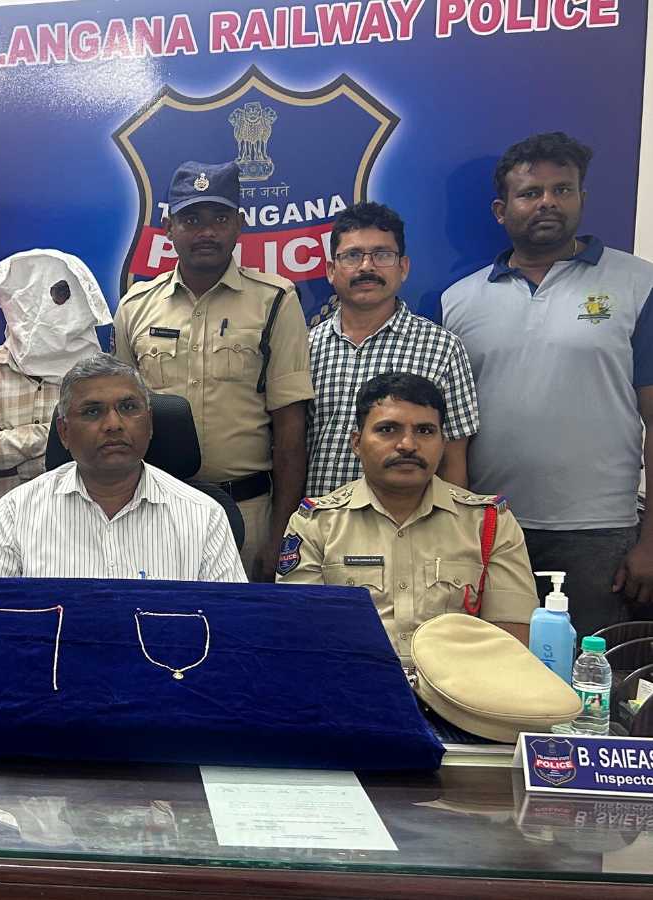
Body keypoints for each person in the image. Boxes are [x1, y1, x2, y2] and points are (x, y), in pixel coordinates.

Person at [443, 132, 653, 636]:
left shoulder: (637, 284)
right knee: (490, 669)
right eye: (530, 193)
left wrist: (651, 541)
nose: (548, 203)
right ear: (501, 210)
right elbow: (452, 433)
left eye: (563, 190)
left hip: (599, 532)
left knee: (587, 674)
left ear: (582, 198)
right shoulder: (459, 301)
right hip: (491, 527)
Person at [112, 160, 312, 582]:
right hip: (154, 509)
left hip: (247, 511)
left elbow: (290, 428)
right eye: (191, 219)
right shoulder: (135, 306)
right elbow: (122, 416)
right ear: (169, 228)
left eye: (220, 218)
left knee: (243, 622)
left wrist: (280, 533)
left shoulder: (275, 300)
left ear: (239, 225)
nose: (206, 232)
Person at [277, 373, 537, 666]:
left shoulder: (488, 524)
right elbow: (301, 636)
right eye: (388, 429)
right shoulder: (315, 525)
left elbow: (512, 644)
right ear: (357, 443)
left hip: (458, 691)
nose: (407, 445)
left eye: (425, 431)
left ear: (442, 444)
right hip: (351, 688)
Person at [0, 353, 245, 582]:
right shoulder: (17, 512)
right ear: (63, 432)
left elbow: (228, 624)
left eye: (128, 407)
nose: (113, 424)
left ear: (149, 423)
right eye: (93, 411)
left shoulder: (203, 515)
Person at [306, 202, 479, 496]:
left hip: (410, 522)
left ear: (403, 268)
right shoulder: (306, 348)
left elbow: (453, 459)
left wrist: (449, 522)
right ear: (332, 271)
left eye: (382, 255)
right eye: (352, 255)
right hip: (319, 520)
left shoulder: (442, 349)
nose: (366, 267)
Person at [0, 249, 111, 530]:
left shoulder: (98, 372)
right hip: (5, 526)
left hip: (81, 526)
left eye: (64, 297)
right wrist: (53, 434)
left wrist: (15, 464)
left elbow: (103, 450)